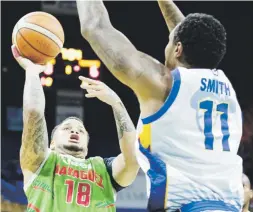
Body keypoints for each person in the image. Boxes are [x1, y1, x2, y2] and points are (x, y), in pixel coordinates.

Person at [77, 0, 244, 211]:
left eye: (169, 42)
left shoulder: (164, 85)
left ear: (178, 49)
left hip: (187, 206)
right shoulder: (224, 86)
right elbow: (185, 32)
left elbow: (94, 27)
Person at [11, 45, 139, 211]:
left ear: (87, 146)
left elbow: (133, 158)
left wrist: (117, 103)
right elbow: (34, 113)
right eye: (66, 128)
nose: (74, 131)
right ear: (51, 143)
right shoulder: (42, 161)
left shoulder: (103, 170)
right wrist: (32, 73)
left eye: (81, 130)